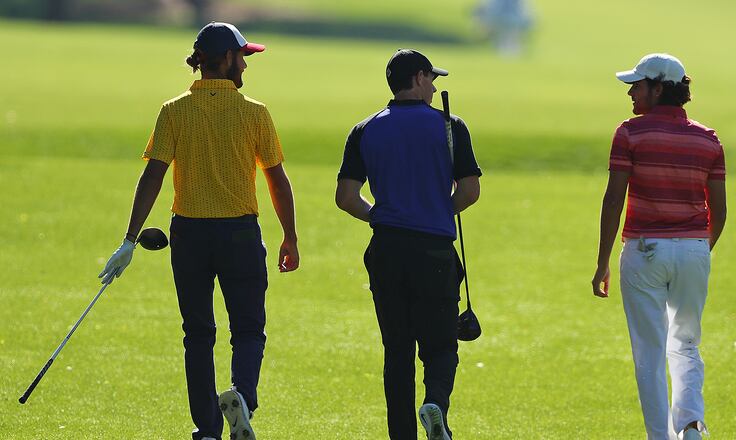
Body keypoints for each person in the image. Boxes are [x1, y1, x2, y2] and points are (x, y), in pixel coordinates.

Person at [99, 22, 299, 440]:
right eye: (242, 56)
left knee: (198, 334)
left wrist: (129, 239)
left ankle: (207, 428)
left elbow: (152, 177)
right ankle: (242, 397)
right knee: (247, 328)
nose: (245, 64)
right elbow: (277, 180)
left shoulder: (174, 111)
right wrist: (290, 236)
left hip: (189, 235)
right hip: (240, 234)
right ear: (225, 59)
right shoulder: (254, 112)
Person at [335, 49, 481, 440]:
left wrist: (380, 216)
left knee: (396, 352)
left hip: (386, 249)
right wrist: (436, 211)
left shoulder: (365, 128)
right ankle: (435, 403)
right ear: (418, 78)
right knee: (440, 346)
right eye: (432, 79)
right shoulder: (451, 126)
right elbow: (469, 190)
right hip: (433, 249)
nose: (435, 87)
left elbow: (347, 197)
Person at [591, 53, 727, 440]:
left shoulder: (630, 133)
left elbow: (613, 200)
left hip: (644, 250)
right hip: (693, 251)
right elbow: (719, 209)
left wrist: (602, 262)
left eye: (637, 85)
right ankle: (691, 426)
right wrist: (698, 248)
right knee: (686, 342)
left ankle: (660, 437)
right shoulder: (708, 138)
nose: (631, 92)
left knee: (650, 353)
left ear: (658, 89)